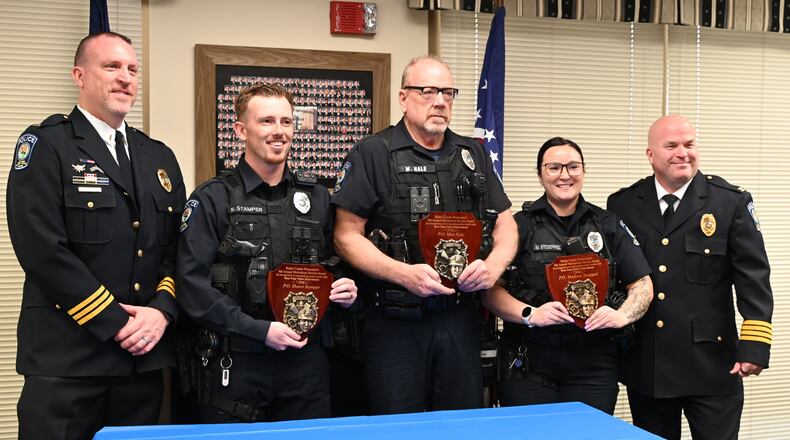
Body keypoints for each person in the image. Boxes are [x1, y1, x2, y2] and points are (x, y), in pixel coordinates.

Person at [6, 32, 185, 439]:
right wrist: (115, 321)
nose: (125, 78)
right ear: (79, 75)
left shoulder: (159, 156)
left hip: (142, 364)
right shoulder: (46, 145)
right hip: (68, 362)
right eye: (111, 67)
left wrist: (161, 311)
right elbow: (41, 250)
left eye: (132, 69)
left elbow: (177, 250)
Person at [331, 55, 517, 414]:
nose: (440, 102)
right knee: (399, 427)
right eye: (428, 91)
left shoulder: (472, 154)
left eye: (448, 92)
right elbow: (346, 236)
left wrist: (493, 267)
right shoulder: (373, 153)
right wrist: (404, 274)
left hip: (460, 321)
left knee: (460, 425)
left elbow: (506, 222)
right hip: (395, 323)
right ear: (403, 98)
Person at [176, 83, 357, 423]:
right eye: (267, 121)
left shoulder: (317, 197)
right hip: (238, 360)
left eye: (286, 122)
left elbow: (338, 264)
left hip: (306, 364)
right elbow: (192, 289)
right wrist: (259, 330)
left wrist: (345, 286)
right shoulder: (214, 199)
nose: (279, 132)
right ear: (241, 130)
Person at [607, 115, 773, 439]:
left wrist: (755, 343)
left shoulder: (730, 202)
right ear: (651, 155)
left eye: (689, 144)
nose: (683, 153)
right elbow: (617, 277)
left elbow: (753, 275)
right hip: (648, 364)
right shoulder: (623, 204)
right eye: (671, 146)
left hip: (712, 364)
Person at [482, 137, 653, 414]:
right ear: (540, 174)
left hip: (593, 362)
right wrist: (531, 314)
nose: (565, 175)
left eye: (573, 166)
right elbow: (490, 290)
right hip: (529, 361)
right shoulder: (517, 226)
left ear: (584, 171)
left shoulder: (608, 225)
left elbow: (643, 284)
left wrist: (622, 316)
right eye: (554, 167)